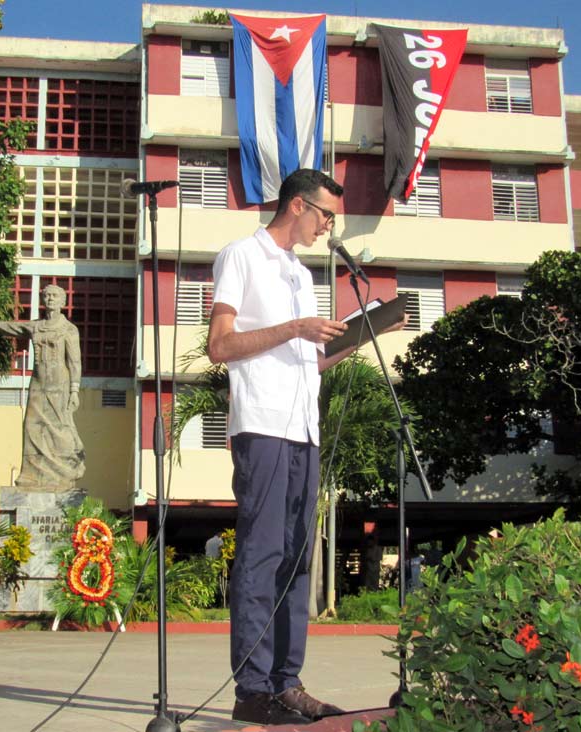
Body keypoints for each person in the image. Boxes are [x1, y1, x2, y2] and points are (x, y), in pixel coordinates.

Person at [208, 168, 394, 725]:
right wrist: (294, 328)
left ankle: (286, 684)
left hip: (303, 431)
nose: (328, 226)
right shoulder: (241, 256)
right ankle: (252, 690)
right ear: (296, 206)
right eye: (325, 214)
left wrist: (363, 332)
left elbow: (308, 361)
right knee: (262, 554)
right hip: (262, 426)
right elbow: (221, 345)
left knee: (296, 560)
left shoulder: (299, 273)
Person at [0, 284, 85, 491]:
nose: (50, 298)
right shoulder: (35, 326)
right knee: (31, 427)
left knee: (60, 429)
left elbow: (75, 362)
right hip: (38, 383)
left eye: (55, 296)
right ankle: (31, 477)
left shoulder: (68, 329)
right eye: (47, 295)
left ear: (63, 302)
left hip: (60, 385)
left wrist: (74, 390)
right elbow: (7, 327)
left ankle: (67, 470)